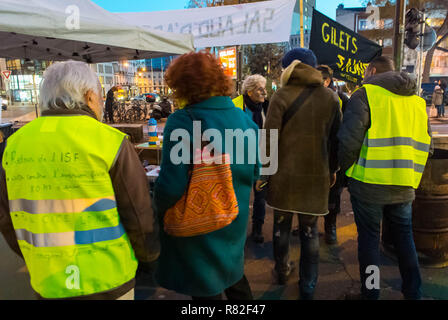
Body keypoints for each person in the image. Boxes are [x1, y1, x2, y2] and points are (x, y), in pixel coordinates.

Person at [0, 61, 159, 300]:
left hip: (49, 281)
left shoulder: (13, 145)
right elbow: (138, 213)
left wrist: (34, 257)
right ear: (89, 96)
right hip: (108, 278)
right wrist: (150, 258)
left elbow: (6, 217)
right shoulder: (110, 141)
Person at [153, 51, 260, 300]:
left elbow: (171, 185)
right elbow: (256, 170)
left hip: (200, 223)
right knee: (233, 276)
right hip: (235, 219)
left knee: (206, 288)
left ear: (184, 87)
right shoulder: (246, 121)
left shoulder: (183, 121)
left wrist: (156, 209)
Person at [338, 56, 433, 300]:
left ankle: (370, 293)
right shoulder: (417, 101)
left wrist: (348, 173)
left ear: (371, 70)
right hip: (404, 183)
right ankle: (414, 292)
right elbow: (428, 145)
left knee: (369, 242)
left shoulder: (365, 94)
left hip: (368, 185)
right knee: (404, 238)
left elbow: (348, 142)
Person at [256, 48, 341, 299]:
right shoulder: (331, 98)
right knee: (310, 231)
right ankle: (308, 286)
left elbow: (268, 140)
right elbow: (337, 140)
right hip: (316, 177)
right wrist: (333, 169)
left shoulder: (280, 96)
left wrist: (265, 175)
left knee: (281, 226)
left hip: (284, 177)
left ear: (289, 68)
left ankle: (282, 271)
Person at [240, 74, 268, 244]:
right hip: (242, 158)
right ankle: (239, 229)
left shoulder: (267, 106)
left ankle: (258, 228)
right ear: (249, 92)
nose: (264, 92)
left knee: (261, 195)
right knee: (241, 195)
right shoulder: (237, 105)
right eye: (260, 89)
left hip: (262, 157)